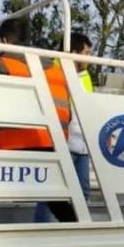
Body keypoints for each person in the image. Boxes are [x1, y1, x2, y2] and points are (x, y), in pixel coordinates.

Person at [0, 18, 77, 224]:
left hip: (16, 144)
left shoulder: (1, 64)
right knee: (57, 200)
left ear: (5, 41)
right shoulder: (56, 69)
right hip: (53, 145)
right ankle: (80, 232)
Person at [35, 32, 95, 223]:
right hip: (60, 141)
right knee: (52, 194)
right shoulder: (52, 69)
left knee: (83, 191)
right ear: (74, 51)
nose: (89, 58)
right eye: (86, 52)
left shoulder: (86, 76)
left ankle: (74, 231)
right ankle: (42, 234)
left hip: (81, 144)